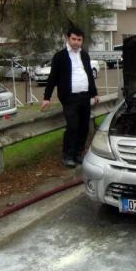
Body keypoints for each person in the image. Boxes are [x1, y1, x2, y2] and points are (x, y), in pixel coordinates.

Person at [41, 25, 99, 168]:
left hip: (85, 96)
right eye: (73, 39)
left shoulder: (84, 55)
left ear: (82, 41)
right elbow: (52, 78)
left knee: (84, 127)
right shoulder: (60, 56)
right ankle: (68, 155)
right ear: (68, 38)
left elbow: (89, 76)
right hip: (69, 98)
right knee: (73, 126)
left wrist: (95, 93)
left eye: (79, 40)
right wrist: (46, 98)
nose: (76, 42)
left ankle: (79, 153)